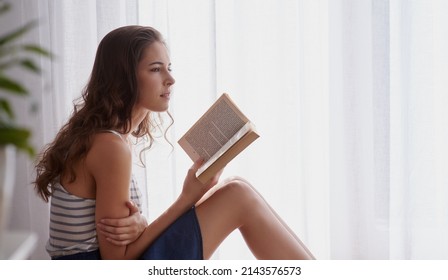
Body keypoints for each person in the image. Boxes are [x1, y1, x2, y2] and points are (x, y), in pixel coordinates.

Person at [34, 25, 315, 260]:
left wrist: (147, 222)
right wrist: (186, 199)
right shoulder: (110, 147)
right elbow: (116, 261)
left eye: (168, 68)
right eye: (156, 70)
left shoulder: (105, 137)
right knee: (238, 196)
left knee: (235, 186)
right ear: (124, 78)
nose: (170, 79)